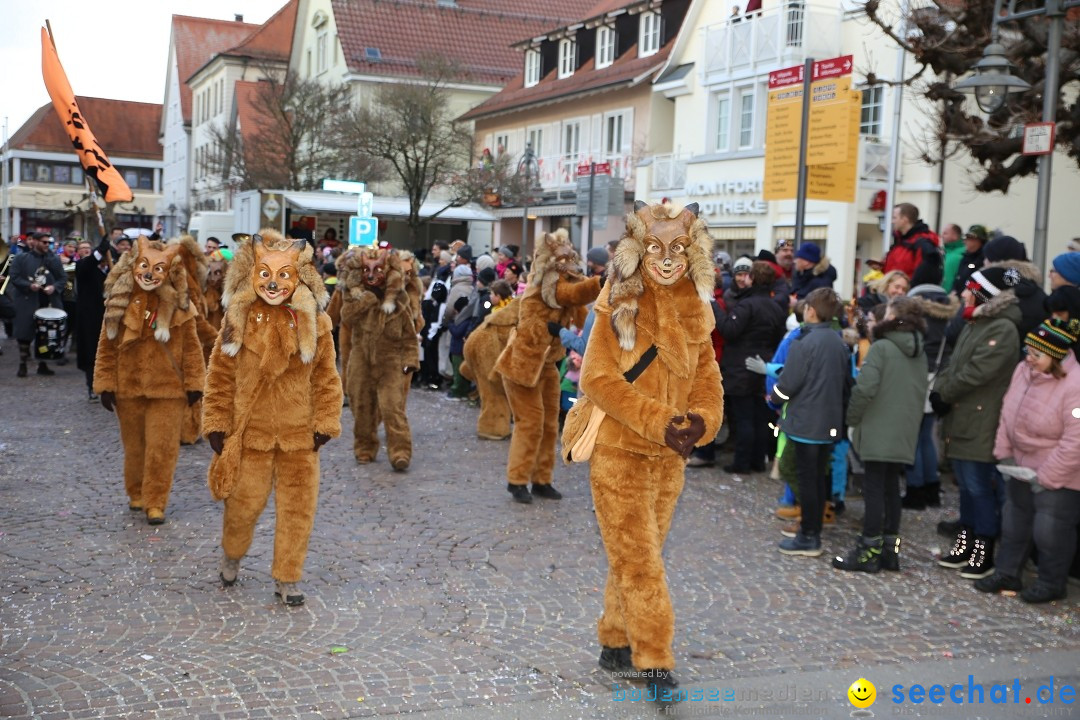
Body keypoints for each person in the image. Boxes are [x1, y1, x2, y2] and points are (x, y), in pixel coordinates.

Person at [576, 202, 721, 704]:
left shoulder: (698, 307)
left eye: (677, 249)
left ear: (693, 252)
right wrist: (659, 421)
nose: (666, 260)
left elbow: (707, 378)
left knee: (641, 554)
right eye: (656, 249)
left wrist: (702, 421)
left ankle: (614, 638)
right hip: (620, 453)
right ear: (640, 249)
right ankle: (654, 662)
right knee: (640, 561)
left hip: (671, 459)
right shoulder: (618, 300)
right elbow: (596, 378)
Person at [203, 231, 342, 606]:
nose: (274, 284)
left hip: (300, 436)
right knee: (242, 507)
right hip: (252, 434)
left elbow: (327, 377)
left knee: (298, 512)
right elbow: (219, 376)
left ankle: (288, 578)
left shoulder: (317, 324)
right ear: (251, 274)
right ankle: (231, 554)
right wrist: (216, 423)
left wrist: (326, 423)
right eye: (265, 274)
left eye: (284, 276)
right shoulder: (238, 319)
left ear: (299, 278)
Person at [94, 236, 205, 525]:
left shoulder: (181, 306)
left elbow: (193, 348)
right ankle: (136, 492)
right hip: (128, 387)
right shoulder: (119, 304)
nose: (149, 274)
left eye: (158, 269)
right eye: (144, 267)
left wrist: (195, 384)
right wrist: (105, 384)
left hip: (169, 390)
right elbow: (106, 347)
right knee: (135, 447)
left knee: (163, 449)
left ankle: (156, 501)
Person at [975, 318, 1080, 603]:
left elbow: (1076, 440)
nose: (1029, 359)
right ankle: (1008, 572)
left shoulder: (1075, 384)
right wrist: (1004, 453)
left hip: (1059, 473)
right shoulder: (1023, 371)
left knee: (1050, 530)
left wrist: (1046, 476)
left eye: (1037, 354)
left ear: (1056, 357)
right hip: (1020, 466)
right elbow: (1007, 412)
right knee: (1014, 523)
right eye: (1028, 352)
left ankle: (1051, 582)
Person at [495, 229, 601, 503]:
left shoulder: (565, 290)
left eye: (569, 255)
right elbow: (569, 293)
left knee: (550, 425)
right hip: (522, 366)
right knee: (529, 423)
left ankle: (542, 479)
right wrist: (604, 281)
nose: (567, 262)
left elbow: (584, 318)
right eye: (561, 256)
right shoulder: (539, 288)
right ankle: (516, 481)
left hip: (548, 366)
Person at [931, 266, 1023, 579]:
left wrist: (946, 391)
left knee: (978, 486)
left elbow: (979, 372)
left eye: (971, 288)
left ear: (985, 292)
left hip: (981, 416)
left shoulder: (1002, 328)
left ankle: (983, 548)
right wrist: (939, 389)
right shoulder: (977, 321)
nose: (965, 293)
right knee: (966, 487)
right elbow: (955, 362)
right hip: (963, 413)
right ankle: (965, 541)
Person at [833, 297, 928, 573]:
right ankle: (890, 551)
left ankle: (868, 551)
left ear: (895, 317)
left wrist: (851, 417)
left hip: (877, 425)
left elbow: (865, 389)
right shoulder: (919, 350)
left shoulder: (882, 347)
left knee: (874, 487)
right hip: (904, 427)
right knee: (891, 488)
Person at [771, 288, 850, 557]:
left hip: (806, 423)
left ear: (812, 312)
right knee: (818, 479)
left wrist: (773, 397)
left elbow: (788, 385)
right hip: (828, 422)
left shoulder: (804, 343)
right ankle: (811, 531)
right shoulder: (839, 342)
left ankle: (808, 536)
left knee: (807, 481)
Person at [713, 259, 786, 472]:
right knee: (760, 416)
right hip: (763, 366)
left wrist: (712, 305)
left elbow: (729, 329)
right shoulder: (775, 307)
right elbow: (778, 338)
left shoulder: (747, 304)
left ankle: (742, 463)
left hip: (741, 366)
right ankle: (757, 460)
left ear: (752, 278)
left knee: (744, 417)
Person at [10, 232, 66, 377]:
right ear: (34, 242)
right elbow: (14, 277)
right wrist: (29, 285)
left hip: (47, 302)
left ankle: (43, 364)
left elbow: (62, 278)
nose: (47, 245)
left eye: (49, 242)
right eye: (44, 242)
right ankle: (22, 364)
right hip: (27, 300)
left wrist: (54, 287)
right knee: (24, 333)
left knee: (45, 335)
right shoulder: (21, 258)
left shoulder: (53, 259)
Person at [884, 203, 942, 287]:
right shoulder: (901, 242)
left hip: (907, 295)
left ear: (904, 220)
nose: (892, 221)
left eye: (894, 218)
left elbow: (922, 276)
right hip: (896, 292)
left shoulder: (922, 244)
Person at [950, 225, 988, 295]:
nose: (966, 241)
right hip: (959, 297)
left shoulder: (983, 260)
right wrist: (954, 290)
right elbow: (958, 276)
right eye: (966, 238)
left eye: (970, 238)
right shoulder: (965, 257)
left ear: (980, 241)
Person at [939, 223, 965, 292]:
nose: (942, 236)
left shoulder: (962, 254)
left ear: (955, 236)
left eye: (945, 233)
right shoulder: (943, 252)